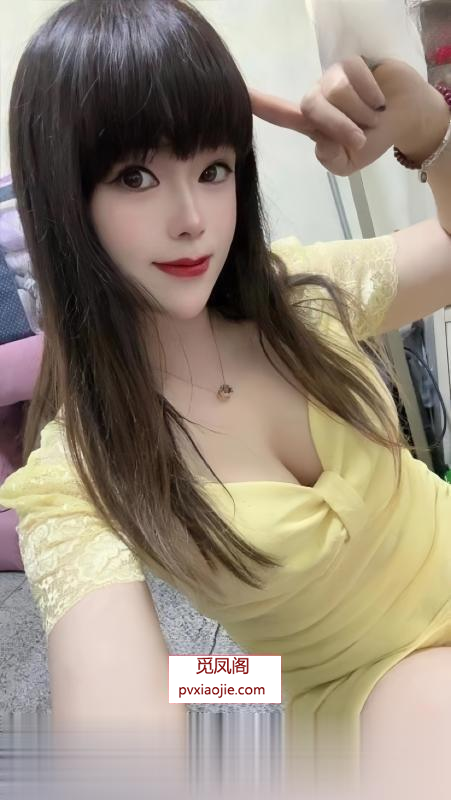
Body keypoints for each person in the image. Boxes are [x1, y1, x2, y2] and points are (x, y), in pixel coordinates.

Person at [1, 0, 451, 795]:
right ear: (64, 198)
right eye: (135, 176)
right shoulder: (79, 476)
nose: (191, 220)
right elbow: (119, 744)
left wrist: (431, 133)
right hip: (388, 696)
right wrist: (232, 684)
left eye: (213, 169)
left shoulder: (299, 296)